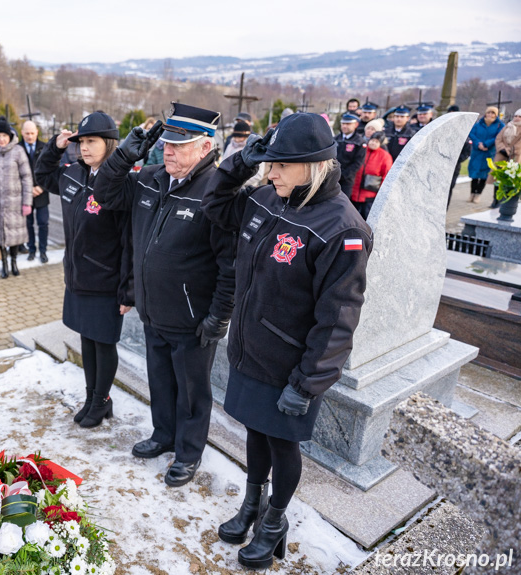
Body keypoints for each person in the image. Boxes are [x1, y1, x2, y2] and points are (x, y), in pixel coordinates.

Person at [202, 113, 372, 570]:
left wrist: (309, 381)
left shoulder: (343, 228)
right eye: (269, 163)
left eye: (280, 164)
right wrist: (240, 164)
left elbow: (338, 317)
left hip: (291, 366)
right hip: (252, 349)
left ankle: (275, 522)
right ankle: (252, 506)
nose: (270, 172)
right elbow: (215, 206)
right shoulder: (267, 198)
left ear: (314, 166)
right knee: (255, 432)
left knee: (282, 444)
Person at [94, 103, 235, 487]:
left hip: (193, 318)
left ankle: (188, 453)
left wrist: (219, 316)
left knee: (191, 392)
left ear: (205, 148)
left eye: (179, 143)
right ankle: (163, 434)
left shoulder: (216, 192)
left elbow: (230, 264)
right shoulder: (152, 177)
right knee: (159, 380)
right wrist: (125, 154)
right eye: (166, 142)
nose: (168, 150)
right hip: (153, 310)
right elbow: (105, 193)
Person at [35, 111, 135, 428]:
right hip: (78, 277)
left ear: (109, 143)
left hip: (106, 280)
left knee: (104, 343)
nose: (84, 148)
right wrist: (54, 146)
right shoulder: (73, 175)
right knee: (87, 341)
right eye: (81, 142)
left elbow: (129, 239)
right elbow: (42, 174)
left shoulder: (122, 184)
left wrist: (128, 289)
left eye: (92, 141)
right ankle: (93, 397)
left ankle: (102, 400)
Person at [0, 117, 33, 278]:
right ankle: (4, 265)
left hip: (15, 204)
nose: (1, 139)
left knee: (15, 236)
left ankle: (14, 262)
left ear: (9, 136)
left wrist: (27, 202)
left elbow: (27, 177)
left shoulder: (18, 151)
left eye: (4, 136)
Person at [19, 121, 50, 263]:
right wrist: (27, 188)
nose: (30, 136)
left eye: (32, 133)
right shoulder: (17, 149)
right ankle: (31, 250)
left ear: (37, 132)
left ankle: (43, 251)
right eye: (27, 133)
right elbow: (14, 173)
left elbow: (50, 169)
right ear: (22, 133)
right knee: (28, 224)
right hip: (26, 194)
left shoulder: (45, 147)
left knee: (43, 223)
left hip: (42, 192)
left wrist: (41, 187)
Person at [350, 131, 393, 218]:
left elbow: (386, 175)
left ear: (380, 143)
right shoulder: (362, 150)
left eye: (376, 142)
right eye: (372, 140)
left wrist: (382, 193)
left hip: (370, 194)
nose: (373, 143)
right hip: (354, 191)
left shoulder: (385, 156)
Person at [468, 106, 505, 204]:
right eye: (489, 112)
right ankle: (472, 193)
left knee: (484, 175)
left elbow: (498, 136)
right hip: (477, 152)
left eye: (493, 113)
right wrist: (478, 143)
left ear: (496, 115)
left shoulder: (499, 125)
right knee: (475, 174)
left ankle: (478, 195)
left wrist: (486, 144)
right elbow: (472, 133)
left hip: (489, 152)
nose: (490, 115)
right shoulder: (478, 124)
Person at [222, 121, 264, 187]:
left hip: (248, 188)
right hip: (228, 186)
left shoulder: (255, 149)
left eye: (240, 137)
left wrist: (237, 181)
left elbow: (258, 175)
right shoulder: (230, 146)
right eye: (236, 136)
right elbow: (223, 164)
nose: (237, 139)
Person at [335, 113, 367, 199]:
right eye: (343, 123)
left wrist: (343, 175)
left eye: (348, 124)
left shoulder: (359, 142)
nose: (345, 126)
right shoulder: (336, 139)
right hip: (333, 178)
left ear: (356, 124)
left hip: (347, 179)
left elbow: (358, 162)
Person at [446, 105, 472, 207]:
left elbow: (466, 152)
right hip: (439, 165)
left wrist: (454, 160)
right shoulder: (443, 130)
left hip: (453, 166)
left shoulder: (463, 133)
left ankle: (445, 209)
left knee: (448, 189)